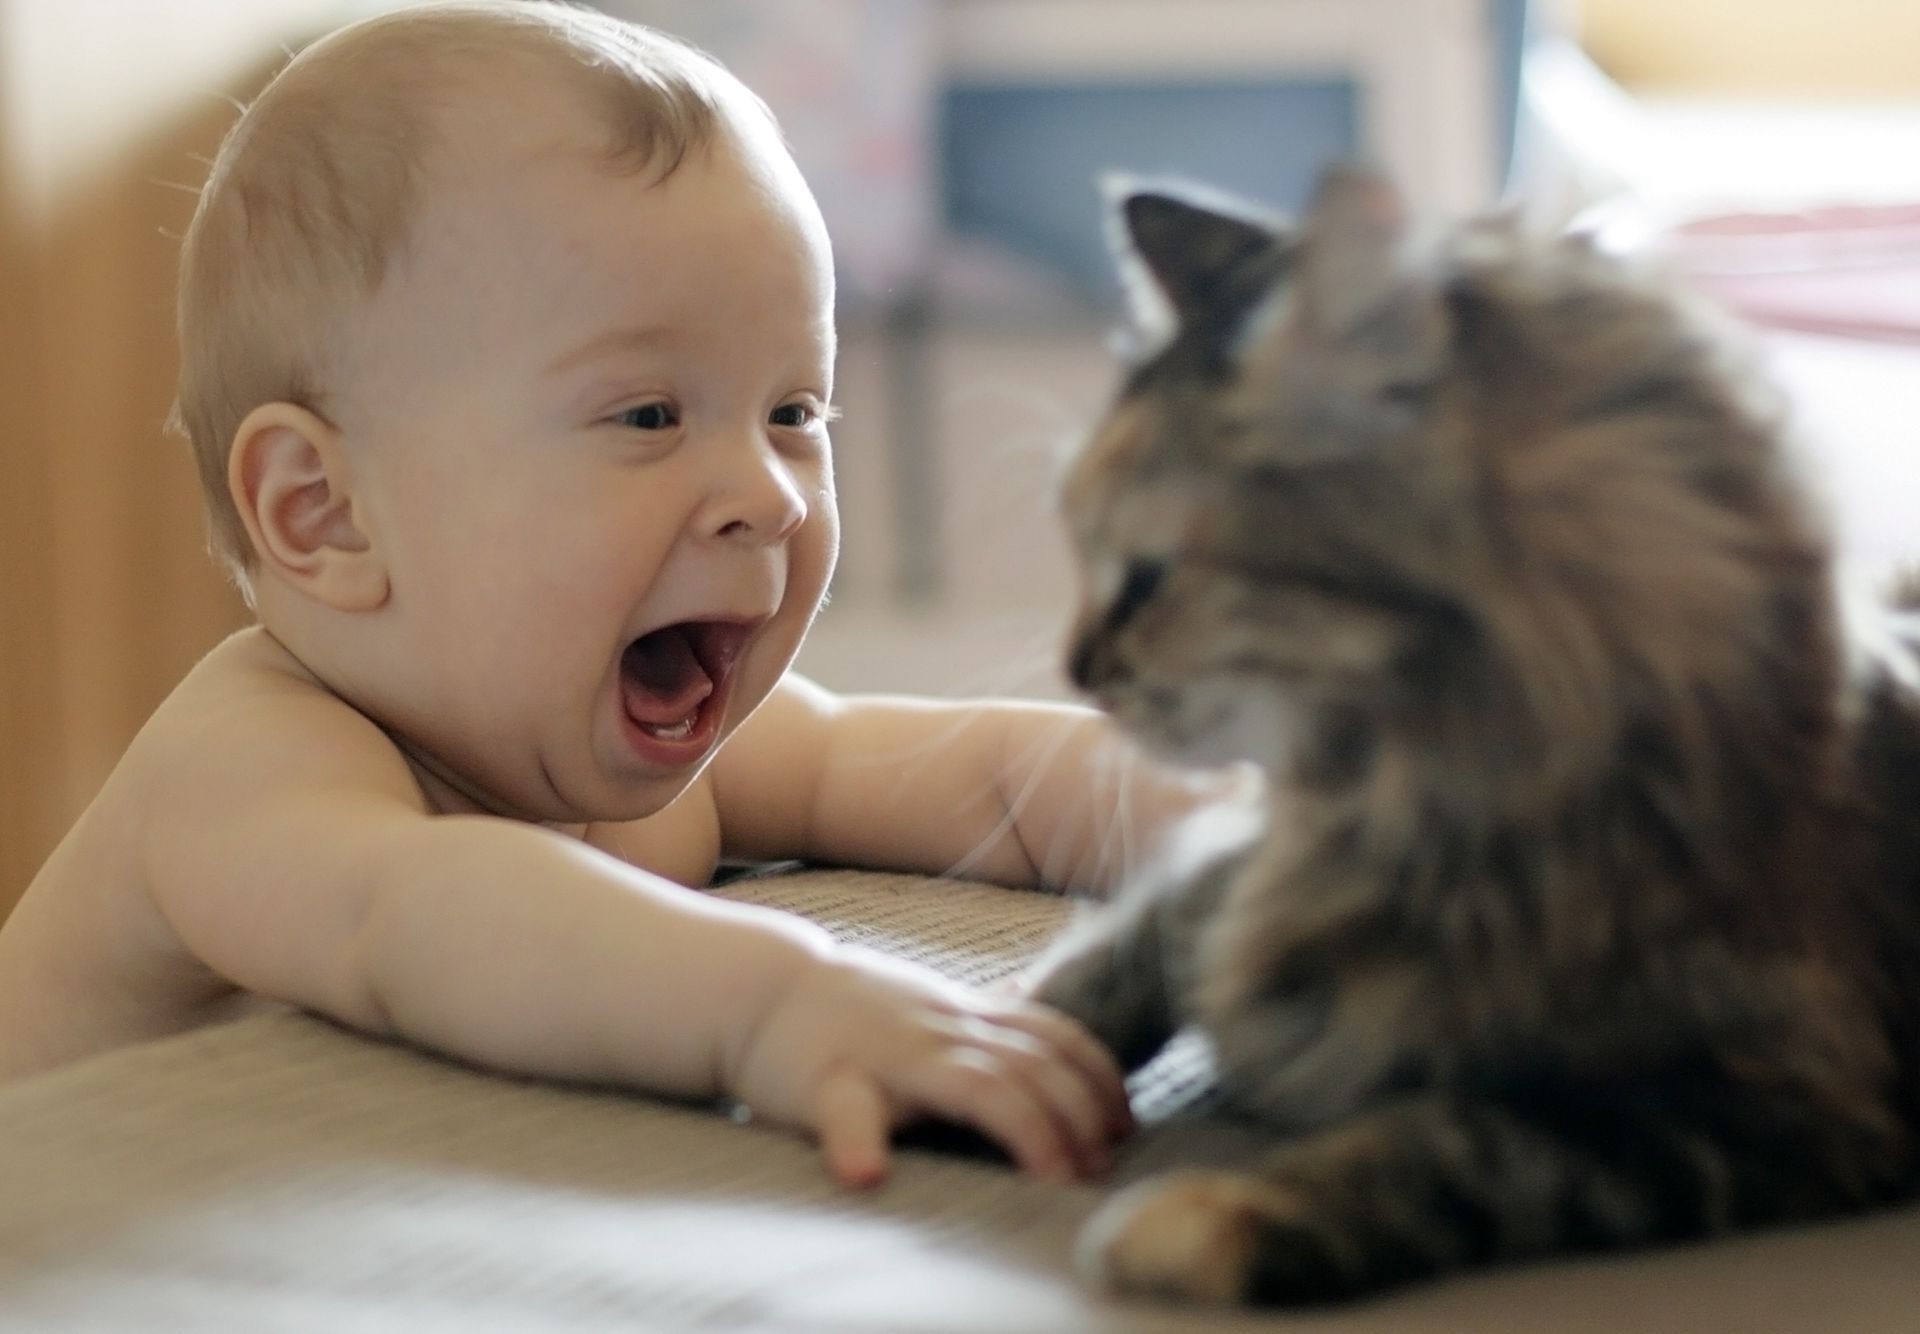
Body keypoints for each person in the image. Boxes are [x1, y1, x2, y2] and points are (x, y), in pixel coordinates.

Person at [0, 2, 1239, 1189]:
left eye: (793, 411)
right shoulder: (245, 767)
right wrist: (779, 1001)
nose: (770, 492)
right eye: (649, 414)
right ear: (326, 512)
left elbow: (972, 780)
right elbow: (425, 918)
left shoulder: (648, 752)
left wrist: (1237, 825)